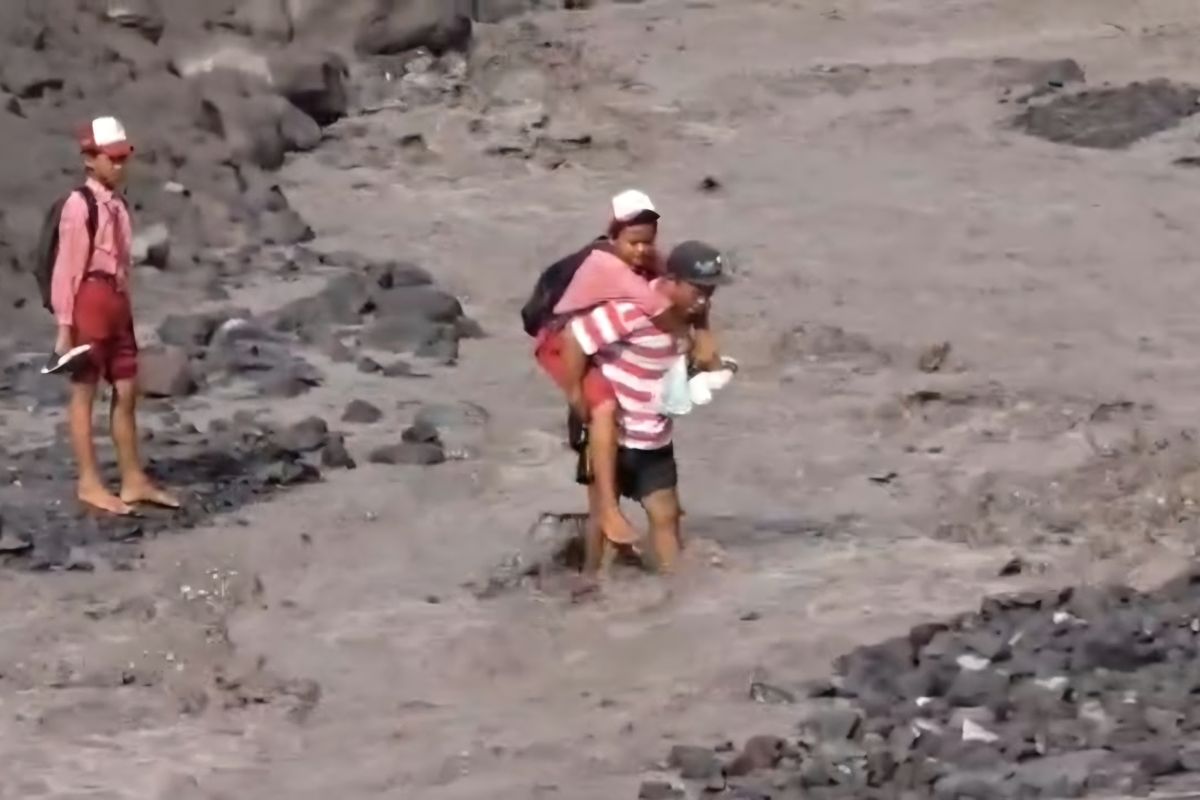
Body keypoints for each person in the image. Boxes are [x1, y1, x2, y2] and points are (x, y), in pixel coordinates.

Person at [560, 240, 732, 575]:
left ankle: (676, 591)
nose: (704, 300)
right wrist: (577, 397)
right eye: (698, 290)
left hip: (654, 436)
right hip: (613, 436)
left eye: (710, 292)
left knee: (668, 515)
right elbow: (575, 338)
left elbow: (705, 360)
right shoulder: (634, 310)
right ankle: (591, 588)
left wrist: (705, 334)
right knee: (604, 524)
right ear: (671, 280)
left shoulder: (691, 316)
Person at [534, 190, 685, 547]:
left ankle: (598, 557)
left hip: (591, 341)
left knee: (603, 405)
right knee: (602, 406)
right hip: (560, 341)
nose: (642, 251)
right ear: (613, 236)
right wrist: (575, 394)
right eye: (633, 243)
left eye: (648, 242)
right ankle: (608, 509)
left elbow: (669, 281)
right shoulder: (608, 267)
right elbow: (660, 308)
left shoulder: (644, 259)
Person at [50, 116, 179, 515]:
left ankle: (132, 477)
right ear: (91, 159)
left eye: (124, 158)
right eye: (113, 158)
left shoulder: (118, 204)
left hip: (117, 301)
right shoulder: (79, 206)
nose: (120, 166)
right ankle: (89, 481)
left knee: (126, 390)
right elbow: (67, 270)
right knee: (85, 391)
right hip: (89, 299)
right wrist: (64, 327)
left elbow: (122, 260)